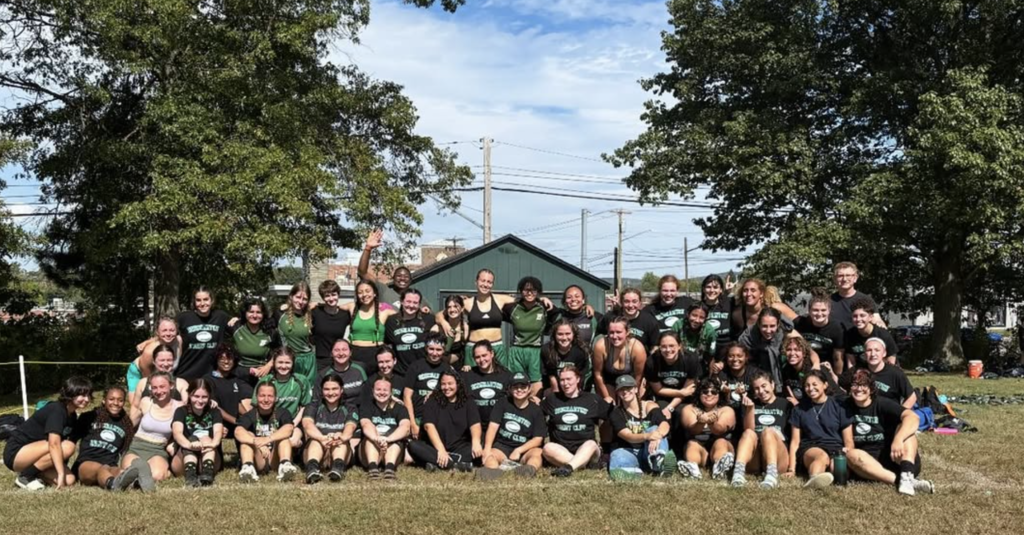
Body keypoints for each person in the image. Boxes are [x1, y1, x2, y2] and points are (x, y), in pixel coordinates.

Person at [843, 369, 935, 495]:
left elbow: (913, 417)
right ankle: (903, 482)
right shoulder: (844, 406)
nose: (859, 389)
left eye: (863, 385)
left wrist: (898, 439)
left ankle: (906, 473)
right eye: (855, 385)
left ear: (871, 389)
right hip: (869, 463)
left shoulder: (882, 403)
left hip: (896, 457)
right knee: (850, 455)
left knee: (906, 432)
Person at [437, 269, 553, 365]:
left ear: (492, 284)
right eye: (483, 281)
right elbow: (441, 314)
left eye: (489, 282)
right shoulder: (467, 303)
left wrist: (541, 299)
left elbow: (526, 300)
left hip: (496, 348)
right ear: (476, 282)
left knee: (501, 381)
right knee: (471, 382)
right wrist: (444, 322)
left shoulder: (501, 299)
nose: (485, 284)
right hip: (474, 348)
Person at [4, 377, 92, 490]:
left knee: (69, 480)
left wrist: (62, 471)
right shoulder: (57, 410)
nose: (87, 399)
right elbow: (54, 444)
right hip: (16, 453)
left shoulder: (72, 415)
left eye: (89, 395)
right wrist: (60, 473)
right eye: (83, 395)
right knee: (68, 446)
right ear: (71, 393)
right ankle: (25, 476)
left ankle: (35, 474)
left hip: (37, 454)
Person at [541, 366, 610, 477]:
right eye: (562, 380)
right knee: (547, 448)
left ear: (578, 379)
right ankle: (580, 465)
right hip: (561, 450)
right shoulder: (552, 399)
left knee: (591, 444)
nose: (565, 383)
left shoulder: (592, 399)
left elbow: (613, 416)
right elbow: (536, 415)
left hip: (588, 450)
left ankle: (569, 467)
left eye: (569, 379)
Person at [787, 370, 851, 489]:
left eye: (815, 384)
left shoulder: (839, 406)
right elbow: (795, 441)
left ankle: (831, 479)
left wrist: (848, 454)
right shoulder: (799, 409)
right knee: (821, 456)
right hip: (811, 447)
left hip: (836, 447)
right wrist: (792, 469)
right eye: (807, 385)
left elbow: (848, 440)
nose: (811, 388)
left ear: (825, 385)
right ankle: (814, 479)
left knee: (836, 466)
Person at [477, 372, 547, 480]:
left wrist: (519, 450)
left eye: (523, 386)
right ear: (510, 389)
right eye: (515, 387)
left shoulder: (536, 410)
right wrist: (486, 449)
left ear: (529, 389)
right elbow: (493, 427)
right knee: (490, 456)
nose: (519, 390)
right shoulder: (503, 403)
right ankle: (492, 473)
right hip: (502, 448)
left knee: (537, 453)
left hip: (524, 450)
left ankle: (527, 471)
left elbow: (538, 439)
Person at [408, 370, 482, 472]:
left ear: (458, 384)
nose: (446, 387)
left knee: (477, 449)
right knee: (413, 446)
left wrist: (476, 442)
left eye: (450, 383)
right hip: (435, 447)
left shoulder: (468, 401)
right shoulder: (432, 400)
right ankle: (456, 465)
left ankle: (437, 465)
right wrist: (441, 450)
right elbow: (428, 426)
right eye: (443, 384)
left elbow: (475, 424)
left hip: (459, 447)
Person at [71, 386, 140, 491]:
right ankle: (112, 485)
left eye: (120, 400)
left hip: (110, 464)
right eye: (111, 399)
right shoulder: (88, 417)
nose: (116, 403)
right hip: (86, 463)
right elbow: (71, 440)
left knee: (118, 471)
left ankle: (135, 482)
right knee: (101, 468)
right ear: (104, 400)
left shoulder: (126, 424)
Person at [731, 371, 791, 489]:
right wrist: (750, 409)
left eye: (764, 386)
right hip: (756, 457)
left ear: (772, 385)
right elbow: (749, 430)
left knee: (768, 431)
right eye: (757, 388)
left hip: (777, 454)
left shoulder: (785, 404)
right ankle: (738, 473)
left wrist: (793, 468)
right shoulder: (750, 403)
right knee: (748, 433)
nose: (761, 391)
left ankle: (772, 475)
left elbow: (794, 437)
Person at [124, 372, 181, 487]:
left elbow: (197, 408)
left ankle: (161, 472)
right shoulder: (146, 402)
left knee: (157, 475)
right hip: (137, 446)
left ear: (171, 385)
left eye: (162, 387)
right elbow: (129, 424)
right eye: (154, 387)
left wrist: (212, 403)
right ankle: (140, 474)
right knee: (129, 472)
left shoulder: (179, 407)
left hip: (158, 449)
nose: (158, 391)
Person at [608, 375, 670, 478]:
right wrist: (647, 436)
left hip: (649, 449)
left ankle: (658, 462)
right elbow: (628, 436)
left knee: (654, 428)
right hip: (628, 449)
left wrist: (657, 435)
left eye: (628, 388)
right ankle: (633, 471)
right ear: (617, 393)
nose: (625, 392)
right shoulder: (616, 413)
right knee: (617, 454)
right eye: (621, 389)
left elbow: (664, 424)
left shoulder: (649, 405)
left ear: (636, 389)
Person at [235, 382, 299, 482]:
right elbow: (238, 432)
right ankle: (248, 468)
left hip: (276, 457)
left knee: (283, 438)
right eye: (262, 396)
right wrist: (257, 442)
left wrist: (267, 439)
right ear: (256, 397)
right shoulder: (250, 415)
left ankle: (285, 465)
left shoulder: (282, 412)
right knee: (248, 437)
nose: (266, 400)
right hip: (259, 459)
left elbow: (289, 428)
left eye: (270, 396)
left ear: (275, 398)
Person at [302, 374, 358, 484]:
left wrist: (341, 436)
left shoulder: (350, 407)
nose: (331, 393)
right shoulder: (313, 406)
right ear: (322, 391)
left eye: (335, 389)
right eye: (326, 389)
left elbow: (350, 428)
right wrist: (322, 438)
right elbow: (307, 424)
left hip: (339, 449)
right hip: (317, 449)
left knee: (340, 442)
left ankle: (337, 469)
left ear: (341, 390)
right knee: (315, 441)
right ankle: (312, 469)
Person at [357, 228, 430, 311]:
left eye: (406, 276)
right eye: (399, 276)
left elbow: (433, 317)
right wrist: (368, 248)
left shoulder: (417, 298)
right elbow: (362, 272)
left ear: (410, 280)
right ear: (393, 278)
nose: (402, 278)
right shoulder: (384, 291)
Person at [252, 348, 310, 451]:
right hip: (269, 424)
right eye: (280, 362)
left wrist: (293, 423)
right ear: (274, 363)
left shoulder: (301, 381)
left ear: (293, 363)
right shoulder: (266, 380)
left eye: (287, 362)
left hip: (293, 423)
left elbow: (305, 405)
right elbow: (256, 405)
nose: (283, 366)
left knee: (294, 440)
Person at [678, 377, 736, 480]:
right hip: (701, 451)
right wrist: (700, 422)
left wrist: (711, 423)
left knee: (721, 442)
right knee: (692, 443)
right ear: (699, 393)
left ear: (719, 394)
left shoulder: (726, 410)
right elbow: (692, 430)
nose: (709, 394)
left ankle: (719, 467)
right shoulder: (689, 409)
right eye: (705, 391)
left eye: (714, 392)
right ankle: (693, 469)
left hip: (721, 449)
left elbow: (719, 430)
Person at [738, 307, 810, 389]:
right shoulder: (749, 336)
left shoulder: (785, 332)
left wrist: (816, 363)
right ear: (758, 324)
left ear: (778, 324)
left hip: (785, 377)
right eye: (764, 326)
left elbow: (807, 350)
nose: (768, 331)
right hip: (759, 379)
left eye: (772, 326)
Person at [500, 276, 549, 393]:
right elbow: (493, 303)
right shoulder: (512, 307)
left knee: (536, 383)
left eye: (533, 290)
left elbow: (567, 313)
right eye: (526, 290)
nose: (529, 293)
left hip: (535, 350)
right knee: (517, 383)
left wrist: (585, 306)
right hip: (517, 350)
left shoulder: (544, 307)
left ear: (538, 292)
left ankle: (534, 407)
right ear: (521, 291)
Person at [171, 378, 223, 487]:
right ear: (189, 395)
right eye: (196, 396)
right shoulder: (181, 411)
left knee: (206, 437)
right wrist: (190, 445)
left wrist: (213, 443)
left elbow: (218, 431)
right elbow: (177, 433)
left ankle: (207, 474)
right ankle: (190, 476)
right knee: (192, 437)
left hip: (208, 456)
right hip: (184, 460)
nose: (200, 400)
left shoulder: (215, 411)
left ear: (209, 396)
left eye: (204, 397)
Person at [403, 333, 456, 440]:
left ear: (444, 350)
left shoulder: (448, 369)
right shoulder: (415, 366)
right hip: (418, 417)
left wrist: (435, 392)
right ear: (426, 348)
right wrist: (412, 423)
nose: (435, 353)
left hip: (440, 418)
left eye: (439, 350)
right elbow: (406, 396)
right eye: (431, 349)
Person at [360, 376, 412, 481]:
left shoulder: (400, 408)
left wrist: (388, 439)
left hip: (391, 447)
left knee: (396, 442)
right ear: (372, 391)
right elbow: (366, 424)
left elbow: (405, 427)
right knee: (369, 440)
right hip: (371, 447)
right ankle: (373, 468)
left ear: (391, 392)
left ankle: (389, 469)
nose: (381, 393)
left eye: (385, 390)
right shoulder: (366, 406)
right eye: (378, 389)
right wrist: (376, 438)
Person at [841, 338, 916, 409]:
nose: (873, 354)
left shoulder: (895, 373)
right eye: (869, 350)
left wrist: (901, 414)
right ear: (864, 353)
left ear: (884, 353)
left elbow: (912, 397)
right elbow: (840, 386)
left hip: (888, 415)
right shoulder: (857, 370)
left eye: (877, 350)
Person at [177, 286, 233, 379]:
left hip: (213, 375)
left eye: (206, 299)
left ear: (212, 300)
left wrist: (236, 320)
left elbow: (240, 332)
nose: (202, 303)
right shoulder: (184, 318)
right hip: (186, 373)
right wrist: (148, 342)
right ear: (194, 302)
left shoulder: (220, 317)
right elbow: (166, 333)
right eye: (198, 300)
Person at [344, 279, 398, 375]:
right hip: (354, 353)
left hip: (376, 354)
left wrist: (424, 310)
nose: (364, 295)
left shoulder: (384, 310)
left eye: (368, 291)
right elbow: (332, 308)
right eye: (360, 292)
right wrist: (316, 305)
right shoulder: (352, 307)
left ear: (375, 293)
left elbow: (405, 315)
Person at [593, 316, 647, 404]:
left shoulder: (637, 348)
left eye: (618, 332)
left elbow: (638, 376)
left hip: (631, 381)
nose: (614, 336)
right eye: (611, 332)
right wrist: (607, 396)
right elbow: (598, 374)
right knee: (610, 407)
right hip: (609, 381)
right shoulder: (601, 346)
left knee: (633, 402)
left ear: (627, 332)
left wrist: (632, 394)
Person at [644, 331, 700, 418]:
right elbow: (658, 389)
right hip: (663, 396)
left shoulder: (691, 359)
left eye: (671, 346)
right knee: (661, 414)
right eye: (663, 346)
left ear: (679, 346)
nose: (668, 350)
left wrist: (670, 408)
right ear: (659, 347)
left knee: (681, 413)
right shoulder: (652, 362)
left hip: (684, 399)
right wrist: (680, 392)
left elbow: (688, 390)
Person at [205, 343, 253, 441]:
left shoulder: (234, 379)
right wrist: (235, 421)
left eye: (229, 358)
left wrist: (248, 418)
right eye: (222, 358)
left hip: (235, 422)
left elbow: (237, 403)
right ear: (216, 360)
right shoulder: (208, 380)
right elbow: (214, 407)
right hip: (216, 423)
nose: (226, 361)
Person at [384, 288, 438, 375]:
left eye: (415, 303)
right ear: (402, 301)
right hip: (400, 372)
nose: (411, 305)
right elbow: (386, 343)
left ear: (419, 304)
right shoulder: (391, 321)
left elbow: (443, 316)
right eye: (408, 301)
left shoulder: (428, 319)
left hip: (423, 371)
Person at [277, 282, 317, 388]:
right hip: (288, 360)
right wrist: (237, 320)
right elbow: (258, 320)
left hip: (308, 361)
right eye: (298, 297)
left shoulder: (312, 315)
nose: (300, 301)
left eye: (304, 299)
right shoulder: (280, 315)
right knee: (290, 390)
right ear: (291, 296)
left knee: (307, 393)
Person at [463, 341, 513, 426]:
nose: (482, 360)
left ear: (492, 353)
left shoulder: (505, 375)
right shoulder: (467, 374)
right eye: (477, 357)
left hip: (498, 425)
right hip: (475, 425)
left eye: (484, 355)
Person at [729, 278, 797, 341]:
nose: (748, 294)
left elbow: (800, 323)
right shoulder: (737, 314)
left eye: (753, 290)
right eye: (745, 290)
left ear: (761, 293)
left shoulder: (775, 308)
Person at [795, 290, 846, 373]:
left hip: (826, 368)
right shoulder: (801, 323)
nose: (819, 314)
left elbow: (838, 357)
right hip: (803, 367)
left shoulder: (837, 328)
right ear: (809, 311)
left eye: (823, 310)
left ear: (829, 310)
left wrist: (837, 377)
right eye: (815, 310)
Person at [231, 297, 277, 386]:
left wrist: (269, 365)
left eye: (258, 312)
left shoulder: (270, 331)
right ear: (245, 313)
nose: (255, 315)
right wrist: (233, 318)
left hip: (263, 373)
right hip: (241, 374)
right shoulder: (235, 327)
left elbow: (279, 351)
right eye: (251, 312)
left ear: (263, 314)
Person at [129, 317, 181, 394]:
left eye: (172, 330)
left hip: (166, 375)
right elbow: (147, 381)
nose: (168, 334)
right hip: (140, 374)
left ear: (176, 331)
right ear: (157, 332)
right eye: (164, 330)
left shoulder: (179, 341)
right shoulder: (149, 352)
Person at [311, 339, 367, 409]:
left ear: (350, 352)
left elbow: (368, 393)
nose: (341, 353)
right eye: (337, 350)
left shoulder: (360, 368)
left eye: (344, 350)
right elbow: (316, 400)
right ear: (331, 353)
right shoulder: (323, 374)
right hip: (336, 412)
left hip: (359, 409)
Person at [311, 279, 352, 373]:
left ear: (338, 295)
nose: (331, 298)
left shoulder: (345, 315)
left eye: (334, 294)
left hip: (339, 358)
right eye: (327, 296)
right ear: (323, 298)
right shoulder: (316, 312)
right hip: (321, 360)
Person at [844, 299, 899, 369]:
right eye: (855, 316)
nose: (858, 319)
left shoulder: (883, 334)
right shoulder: (850, 335)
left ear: (870, 317)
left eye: (862, 315)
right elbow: (851, 362)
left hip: (883, 370)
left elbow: (891, 360)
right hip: (862, 372)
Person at [781, 336, 838, 405]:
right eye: (789, 349)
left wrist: (798, 405)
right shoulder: (786, 369)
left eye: (797, 350)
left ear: (804, 353)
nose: (792, 353)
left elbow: (833, 393)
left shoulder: (816, 369)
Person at [541, 319, 591, 394]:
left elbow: (581, 375)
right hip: (553, 388)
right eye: (560, 334)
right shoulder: (547, 350)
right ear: (554, 335)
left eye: (568, 334)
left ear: (573, 334)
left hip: (575, 387)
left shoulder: (581, 351)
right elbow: (549, 374)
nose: (564, 338)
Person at [830, 262, 885, 331]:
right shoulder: (828, 301)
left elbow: (877, 321)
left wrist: (881, 326)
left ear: (855, 278)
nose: (844, 279)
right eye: (840, 276)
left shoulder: (866, 300)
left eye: (848, 275)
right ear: (835, 279)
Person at [671, 303, 719, 374]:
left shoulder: (710, 332)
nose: (697, 320)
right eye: (694, 315)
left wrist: (711, 377)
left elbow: (711, 356)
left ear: (705, 319)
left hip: (698, 363)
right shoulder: (678, 325)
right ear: (688, 314)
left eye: (701, 317)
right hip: (678, 362)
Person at [717, 345, 762, 413]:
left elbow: (761, 397)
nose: (735, 359)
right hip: (728, 413)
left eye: (739, 356)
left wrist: (744, 394)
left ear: (746, 357)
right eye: (731, 356)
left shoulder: (754, 374)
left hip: (750, 412)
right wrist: (726, 394)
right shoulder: (722, 374)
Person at [701, 274, 734, 363]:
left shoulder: (729, 303)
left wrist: (728, 292)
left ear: (720, 290)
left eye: (715, 287)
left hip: (726, 351)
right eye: (708, 287)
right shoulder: (698, 307)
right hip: (705, 351)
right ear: (703, 289)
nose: (712, 290)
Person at [440, 295, 470, 368]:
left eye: (455, 306)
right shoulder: (439, 327)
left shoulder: (467, 328)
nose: (452, 309)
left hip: (461, 369)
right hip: (441, 368)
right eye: (449, 307)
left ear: (462, 308)